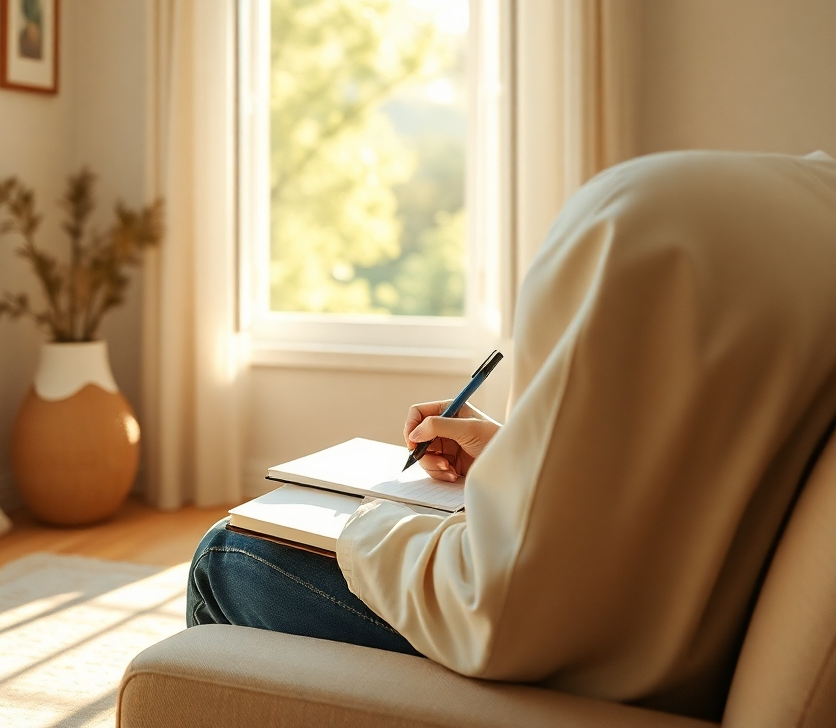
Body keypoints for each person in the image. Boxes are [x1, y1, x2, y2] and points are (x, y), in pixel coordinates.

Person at [188, 150, 836, 722]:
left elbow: (496, 615)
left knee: (230, 554)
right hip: (685, 643)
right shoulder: (813, 227)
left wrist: (371, 519)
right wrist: (513, 456)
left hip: (591, 675)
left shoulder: (643, 224)